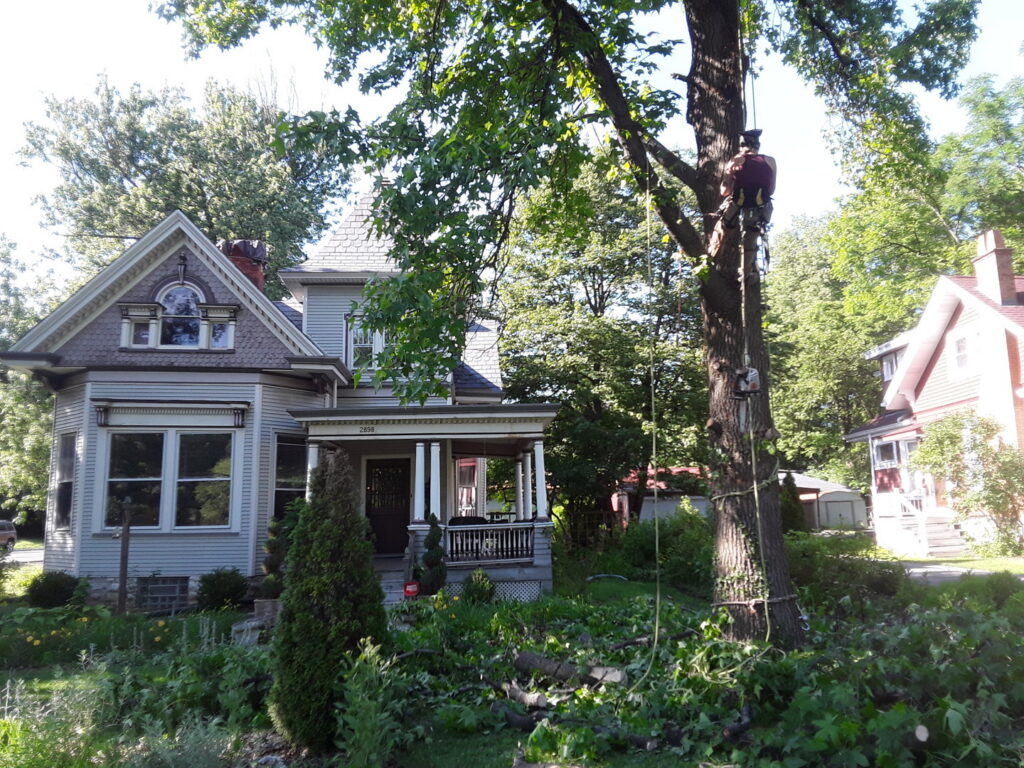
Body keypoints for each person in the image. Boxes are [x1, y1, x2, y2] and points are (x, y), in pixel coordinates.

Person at [708, 129, 777, 264]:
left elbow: (724, 192)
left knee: (719, 231)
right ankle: (744, 275)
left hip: (738, 206)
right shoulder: (770, 161)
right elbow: (771, 190)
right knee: (749, 244)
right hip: (760, 208)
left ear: (741, 146)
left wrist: (729, 173)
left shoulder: (735, 161)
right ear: (758, 145)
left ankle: (709, 258)